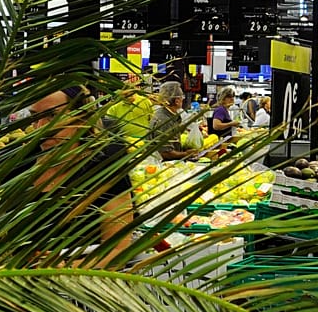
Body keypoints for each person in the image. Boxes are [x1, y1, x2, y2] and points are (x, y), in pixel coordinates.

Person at [26, 85, 137, 267]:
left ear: (82, 118)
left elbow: (118, 250)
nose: (41, 127)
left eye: (53, 116)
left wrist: (63, 269)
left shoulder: (104, 166)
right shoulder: (20, 162)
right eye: (34, 117)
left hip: (79, 286)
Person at [147, 81, 200, 162]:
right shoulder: (164, 120)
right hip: (162, 166)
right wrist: (186, 154)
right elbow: (165, 153)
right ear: (177, 101)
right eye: (182, 96)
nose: (183, 99)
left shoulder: (172, 115)